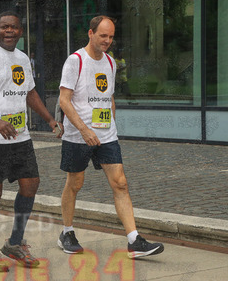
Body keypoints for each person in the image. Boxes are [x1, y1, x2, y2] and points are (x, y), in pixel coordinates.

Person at [57, 15, 164, 258]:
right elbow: (64, 100)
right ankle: (67, 232)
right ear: (91, 33)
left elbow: (109, 97)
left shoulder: (110, 62)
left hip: (106, 135)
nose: (107, 40)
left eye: (111, 37)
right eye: (103, 35)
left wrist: (112, 125)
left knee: (120, 183)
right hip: (78, 136)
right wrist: (84, 130)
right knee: (75, 184)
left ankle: (134, 240)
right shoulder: (75, 61)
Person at [0, 11, 63, 272]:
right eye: (4, 27)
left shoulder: (22, 58)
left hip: (19, 136)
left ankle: (15, 243)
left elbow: (29, 93)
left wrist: (50, 120)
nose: (9, 31)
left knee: (31, 184)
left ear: (21, 31)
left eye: (14, 27)